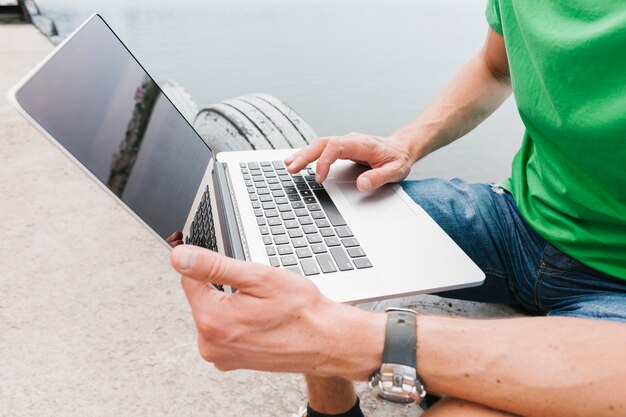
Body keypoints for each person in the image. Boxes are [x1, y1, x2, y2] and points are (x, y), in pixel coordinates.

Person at [171, 2, 626, 416]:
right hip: (520, 220)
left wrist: (344, 338)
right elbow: (494, 67)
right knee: (310, 213)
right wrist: (403, 145)